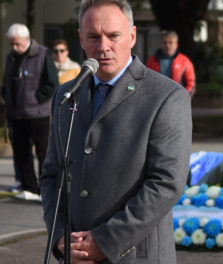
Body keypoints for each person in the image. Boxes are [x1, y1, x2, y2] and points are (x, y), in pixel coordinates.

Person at [40, 0, 192, 263]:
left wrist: (105, 241)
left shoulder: (167, 97)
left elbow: (166, 183)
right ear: (81, 39)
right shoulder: (65, 95)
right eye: (93, 37)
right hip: (75, 254)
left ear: (132, 36)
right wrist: (60, 237)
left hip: (136, 255)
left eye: (113, 36)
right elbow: (52, 175)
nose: (103, 47)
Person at [1, 23, 59, 200]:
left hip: (38, 113)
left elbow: (52, 83)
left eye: (17, 43)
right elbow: (7, 80)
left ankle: (46, 188)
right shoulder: (11, 56)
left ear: (27, 40)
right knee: (21, 152)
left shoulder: (43, 54)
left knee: (43, 151)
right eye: (12, 43)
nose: (14, 47)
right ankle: (29, 186)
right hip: (16, 113)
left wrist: (36, 99)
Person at [146, 30, 196, 98]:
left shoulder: (185, 62)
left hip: (177, 100)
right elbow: (147, 81)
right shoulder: (152, 60)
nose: (167, 45)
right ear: (161, 44)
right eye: (165, 43)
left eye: (170, 43)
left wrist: (183, 98)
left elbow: (191, 84)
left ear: (176, 45)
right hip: (157, 100)